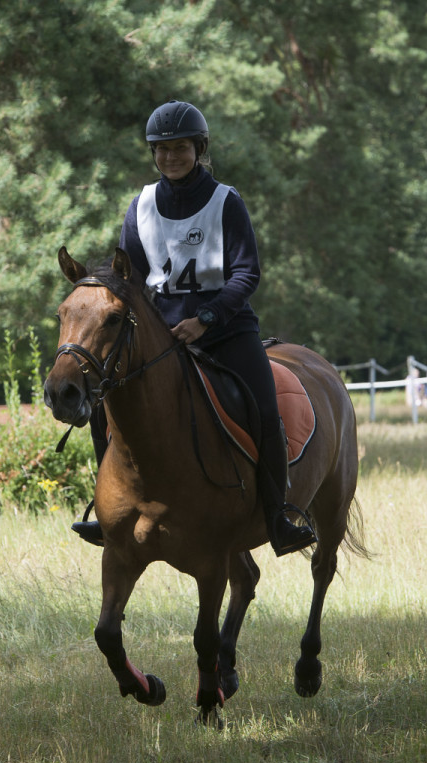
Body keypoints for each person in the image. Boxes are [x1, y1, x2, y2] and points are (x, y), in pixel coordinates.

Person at [71, 100, 316, 557]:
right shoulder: (141, 205)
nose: (170, 157)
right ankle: (108, 510)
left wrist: (206, 318)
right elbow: (130, 278)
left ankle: (278, 515)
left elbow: (247, 274)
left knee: (264, 410)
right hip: (158, 335)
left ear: (199, 149)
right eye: (161, 150)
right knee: (106, 403)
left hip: (224, 329)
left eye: (179, 148)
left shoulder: (226, 201)